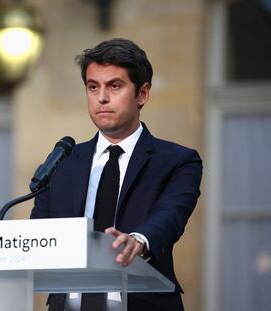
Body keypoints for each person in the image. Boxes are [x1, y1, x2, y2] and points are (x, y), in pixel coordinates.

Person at [30, 38, 202, 311]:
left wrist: (138, 240)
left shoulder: (178, 161)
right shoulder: (62, 162)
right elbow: (37, 236)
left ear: (142, 94)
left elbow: (170, 215)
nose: (102, 98)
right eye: (93, 87)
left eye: (115, 86)